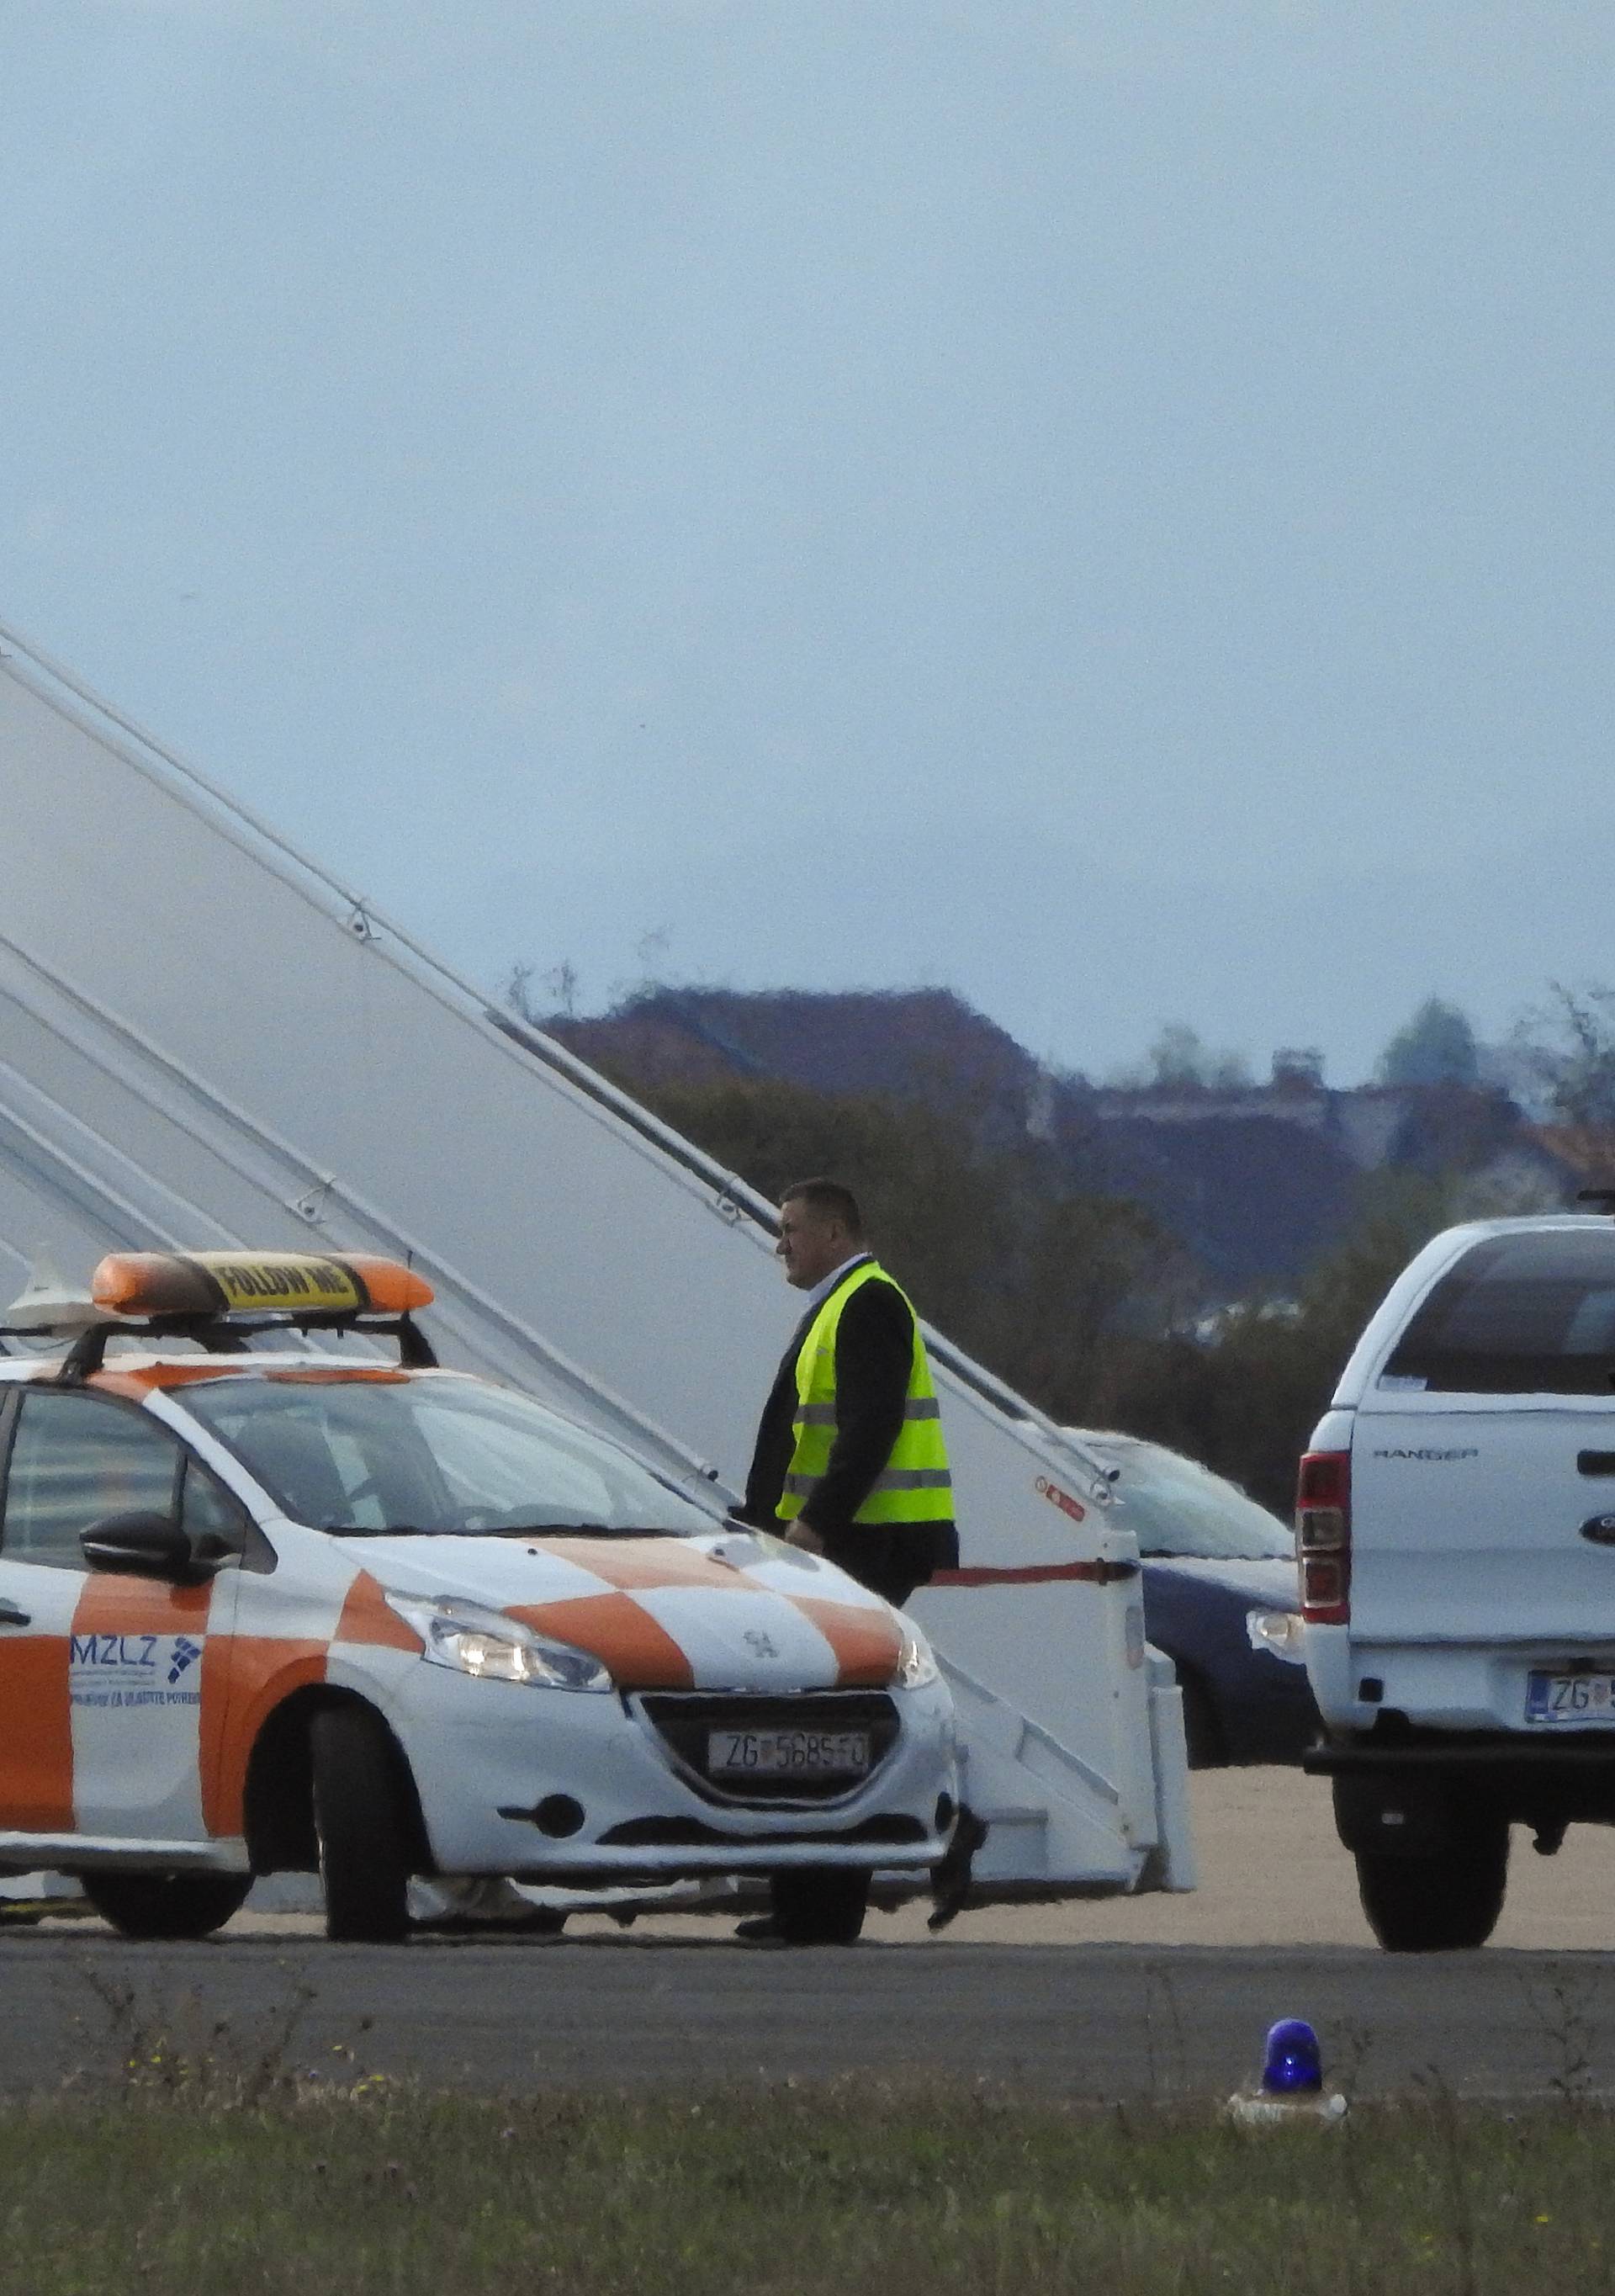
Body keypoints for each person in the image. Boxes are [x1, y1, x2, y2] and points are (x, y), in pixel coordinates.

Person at [740, 1178, 958, 1604]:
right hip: (854, 1539)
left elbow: (872, 1427)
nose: (780, 1246)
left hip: (865, 1542)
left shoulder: (867, 1301)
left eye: (790, 1230)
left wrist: (818, 1521)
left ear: (834, 1232)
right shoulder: (841, 1302)